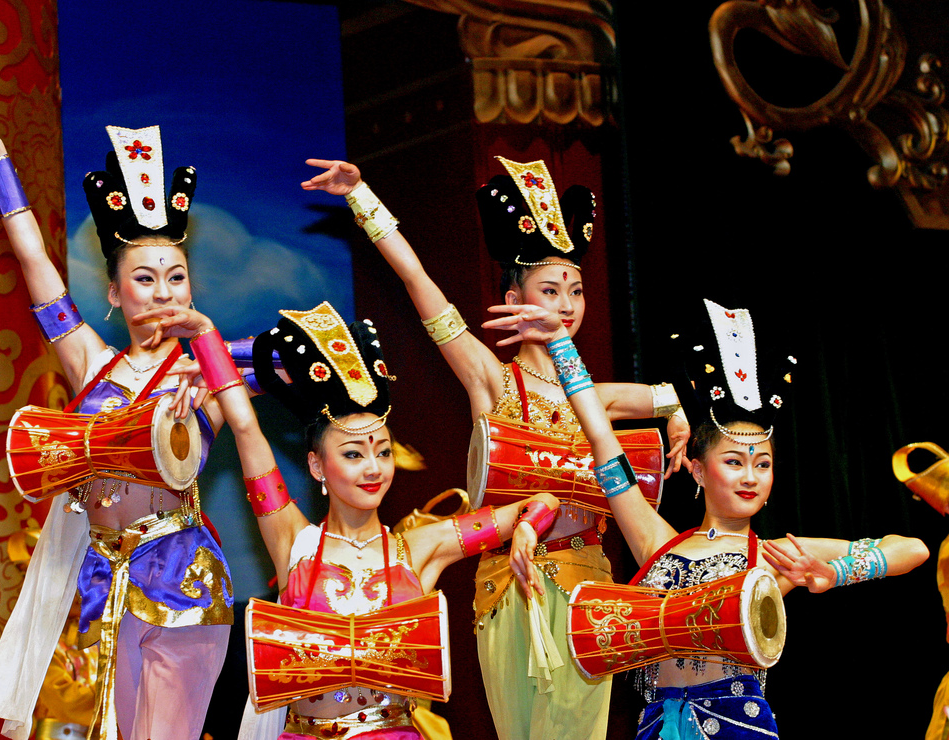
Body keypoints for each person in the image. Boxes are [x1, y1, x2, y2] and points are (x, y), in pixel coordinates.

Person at [300, 156, 690, 739]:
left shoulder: (595, 397)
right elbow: (419, 283)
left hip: (589, 589)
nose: (566, 305)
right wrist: (362, 199)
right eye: (549, 291)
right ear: (513, 297)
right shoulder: (492, 380)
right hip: (508, 586)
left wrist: (678, 414)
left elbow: (677, 395)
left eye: (576, 291)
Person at [484, 296, 930, 738]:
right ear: (698, 470)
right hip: (657, 726)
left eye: (763, 464)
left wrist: (834, 574)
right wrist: (560, 342)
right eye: (734, 462)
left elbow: (912, 549)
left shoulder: (773, 557)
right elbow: (600, 436)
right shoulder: (657, 542)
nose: (750, 477)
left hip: (738, 726)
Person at [0, 120, 234, 740]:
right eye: (144, 278)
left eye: (176, 277)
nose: (163, 291)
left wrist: (211, 351)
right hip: (102, 575)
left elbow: (265, 386)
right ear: (114, 293)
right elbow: (33, 262)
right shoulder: (92, 363)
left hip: (182, 574)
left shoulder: (208, 372)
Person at [149, 299, 558, 739]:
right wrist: (204, 332)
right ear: (317, 466)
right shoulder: (292, 539)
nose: (373, 468)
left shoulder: (420, 547)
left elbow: (542, 501)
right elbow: (246, 427)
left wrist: (527, 527)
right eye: (353, 454)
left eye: (383, 452)